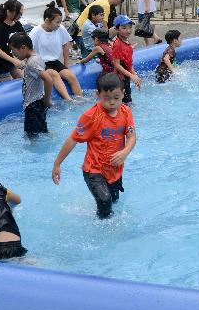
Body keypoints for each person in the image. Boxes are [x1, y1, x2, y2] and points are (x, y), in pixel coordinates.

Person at [51, 73, 136, 219]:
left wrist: (125, 151)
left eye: (116, 97)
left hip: (114, 168)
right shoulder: (91, 116)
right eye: (106, 98)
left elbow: (132, 136)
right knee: (105, 201)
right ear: (98, 95)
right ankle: (104, 234)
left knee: (113, 201)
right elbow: (73, 139)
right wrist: (57, 163)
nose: (111, 102)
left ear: (123, 93)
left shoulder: (125, 112)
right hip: (94, 169)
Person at [29, 3, 83, 100]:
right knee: (54, 75)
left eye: (60, 22)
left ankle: (80, 99)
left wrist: (66, 65)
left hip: (54, 62)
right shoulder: (36, 32)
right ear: (47, 20)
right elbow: (28, 51)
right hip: (40, 63)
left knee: (71, 75)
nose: (59, 25)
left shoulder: (60, 29)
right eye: (57, 22)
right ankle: (69, 100)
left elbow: (66, 44)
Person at [9, 32, 54, 137]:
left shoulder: (32, 63)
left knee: (31, 137)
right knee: (42, 132)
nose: (13, 54)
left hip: (33, 106)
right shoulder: (36, 57)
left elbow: (48, 79)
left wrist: (47, 99)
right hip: (38, 103)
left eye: (13, 50)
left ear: (23, 47)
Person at [0, 0, 25, 81]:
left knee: (22, 81)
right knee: (7, 88)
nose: (20, 16)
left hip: (11, 59)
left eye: (21, 13)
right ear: (8, 12)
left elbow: (24, 40)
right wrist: (14, 60)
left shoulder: (18, 25)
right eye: (18, 13)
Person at [111, 14, 142, 103]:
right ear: (117, 29)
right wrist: (131, 75)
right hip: (120, 79)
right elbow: (116, 64)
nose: (128, 30)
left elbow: (128, 63)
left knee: (128, 102)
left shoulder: (126, 42)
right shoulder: (117, 44)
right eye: (124, 28)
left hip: (125, 78)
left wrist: (135, 75)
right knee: (124, 103)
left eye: (130, 27)